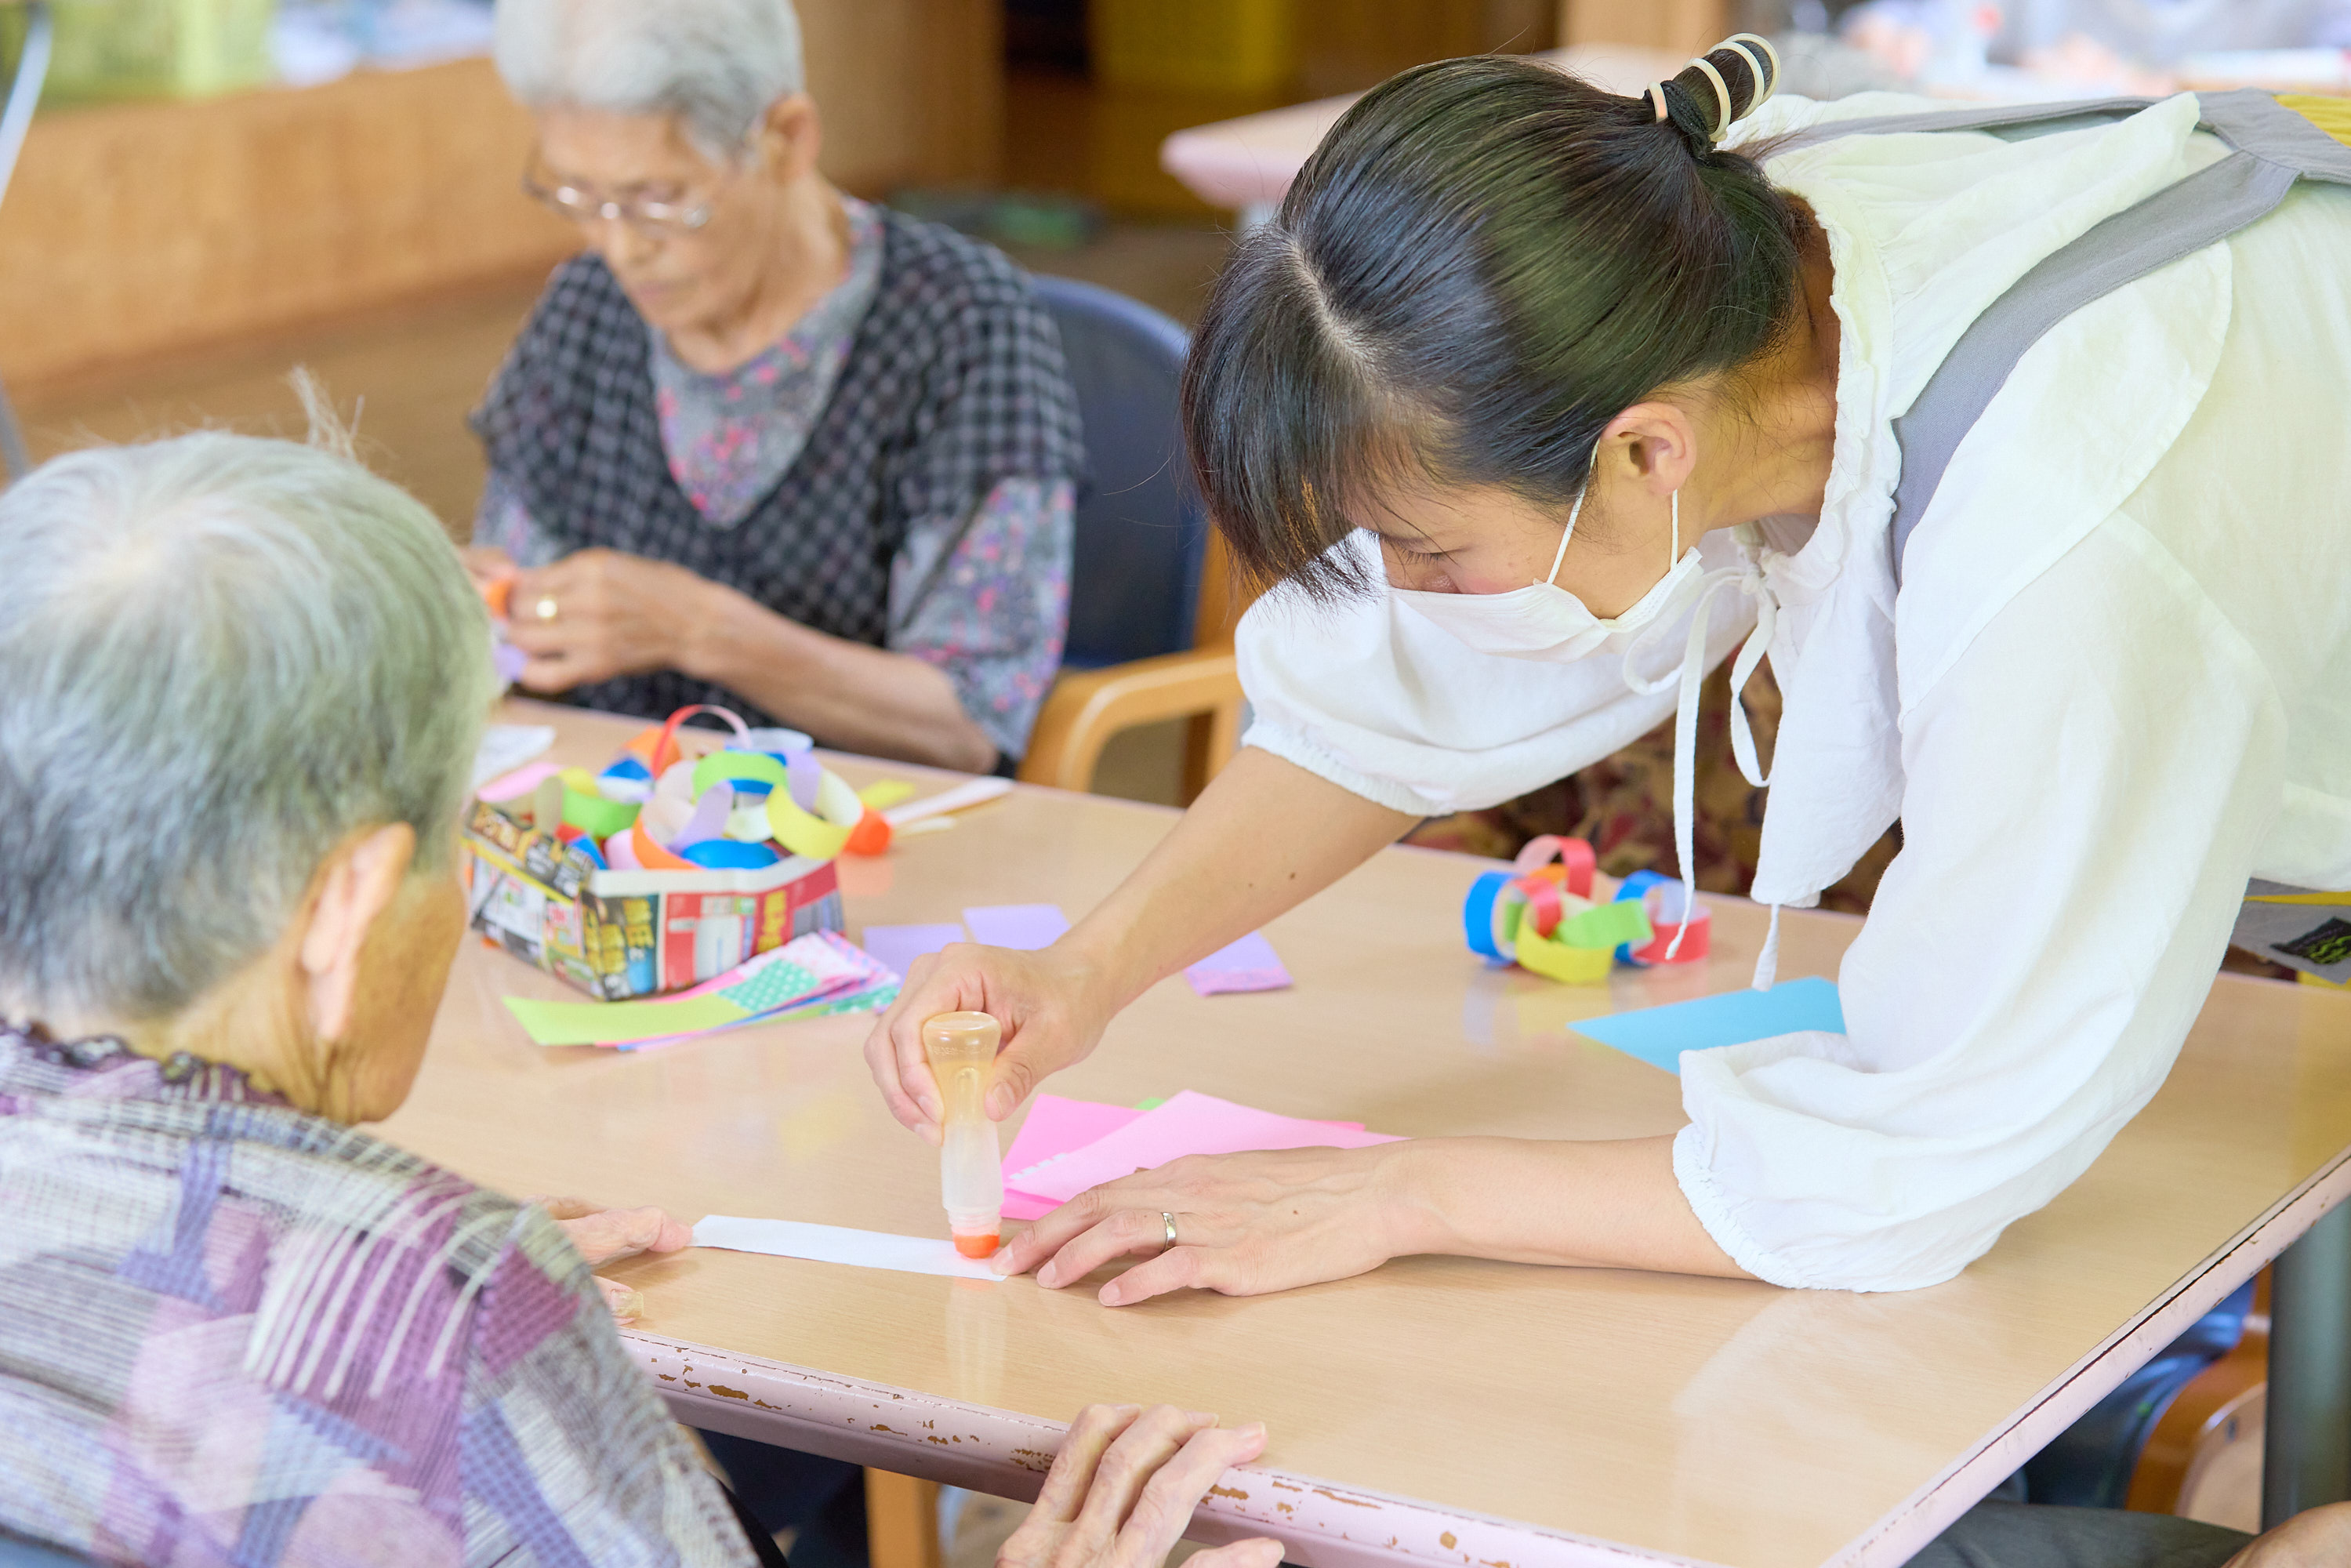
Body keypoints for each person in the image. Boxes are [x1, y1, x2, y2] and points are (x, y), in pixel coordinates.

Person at [866, 45, 2351, 1302]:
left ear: (1645, 452)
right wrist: (1085, 970)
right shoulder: (1701, 271)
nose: (1405, 596)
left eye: (1427, 553)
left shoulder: (2073, 523)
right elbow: (1382, 709)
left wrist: (1393, 1197)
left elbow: (1920, 1164)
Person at [0, 426, 1276, 1567]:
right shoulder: (443, 1320)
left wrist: (400, 1264)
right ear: (344, 909)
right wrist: (449, 1299)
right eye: (456, 838)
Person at [469, 0, 1084, 775]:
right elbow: (519, 597)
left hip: (863, 831)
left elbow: (971, 720)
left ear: (786, 138)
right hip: (615, 814)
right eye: (581, 197)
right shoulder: (588, 305)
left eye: (658, 198)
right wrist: (485, 609)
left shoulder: (958, 325)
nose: (620, 248)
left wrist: (702, 629)